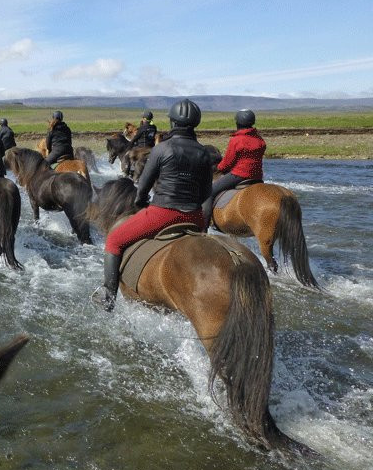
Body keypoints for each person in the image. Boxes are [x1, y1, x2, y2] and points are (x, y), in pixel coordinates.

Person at [95, 99, 213, 311]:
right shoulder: (204, 152)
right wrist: (202, 222)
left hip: (163, 213)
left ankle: (108, 295)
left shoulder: (162, 149)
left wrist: (141, 201)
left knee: (114, 240)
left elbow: (143, 186)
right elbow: (206, 193)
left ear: (172, 122)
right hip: (194, 216)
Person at [201, 109, 266, 228]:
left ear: (238, 123)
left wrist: (219, 168)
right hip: (257, 176)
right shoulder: (260, 140)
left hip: (238, 175)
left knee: (209, 193)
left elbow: (228, 162)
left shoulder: (236, 140)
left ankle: (205, 226)